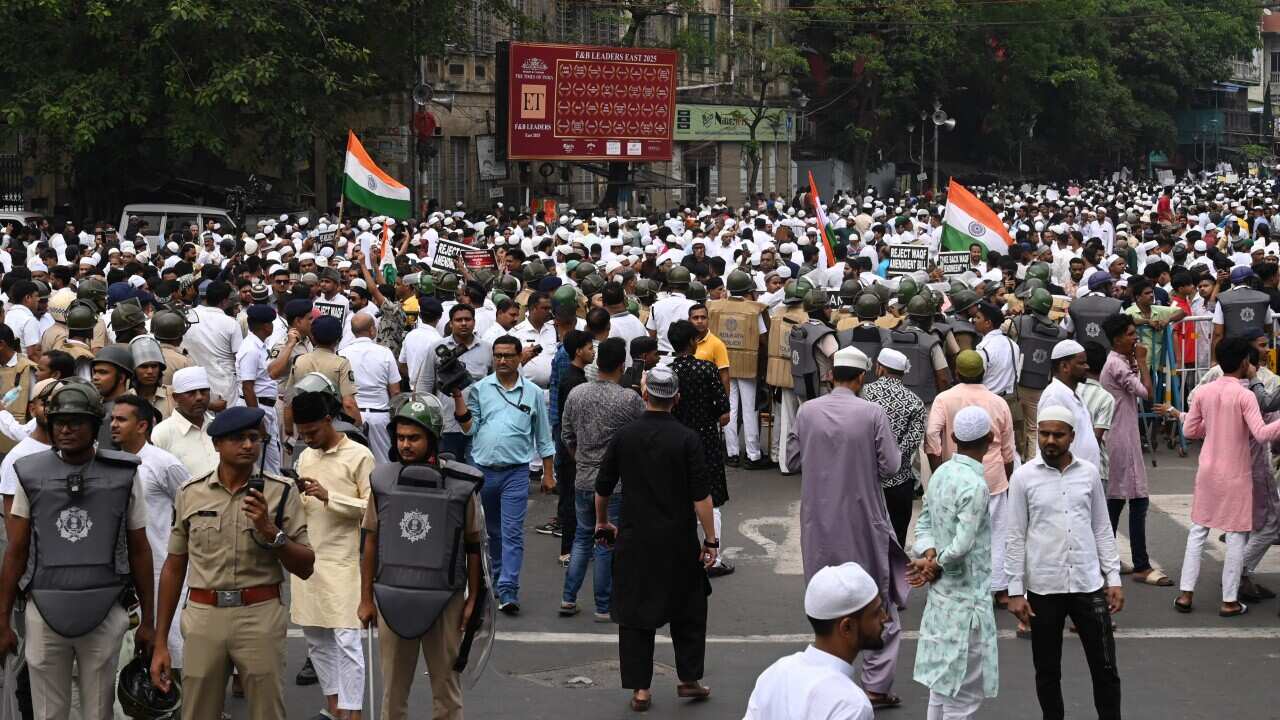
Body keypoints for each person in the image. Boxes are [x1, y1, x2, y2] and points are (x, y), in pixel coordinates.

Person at [0, 380, 155, 720]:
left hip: (106, 605)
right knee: (47, 713)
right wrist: (3, 620)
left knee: (99, 710)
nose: (66, 429)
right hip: (44, 607)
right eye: (59, 422)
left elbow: (140, 549)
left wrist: (149, 621)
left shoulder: (124, 474)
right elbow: (17, 549)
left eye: (76, 422)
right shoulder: (29, 472)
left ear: (95, 425)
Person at [149, 406, 316, 720]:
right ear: (217, 444)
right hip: (204, 616)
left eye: (254, 437)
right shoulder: (190, 493)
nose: (248, 445)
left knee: (268, 711)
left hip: (260, 614)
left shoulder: (281, 492)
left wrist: (270, 530)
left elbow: (306, 566)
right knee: (197, 710)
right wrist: (161, 643)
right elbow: (174, 566)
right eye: (238, 438)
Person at [787, 345, 904, 709]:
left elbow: (791, 459)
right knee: (879, 603)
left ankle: (830, 677)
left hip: (819, 525)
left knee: (827, 605)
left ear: (830, 375)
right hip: (863, 521)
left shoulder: (807, 411)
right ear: (861, 377)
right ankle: (876, 686)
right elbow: (891, 465)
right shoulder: (872, 413)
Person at [594, 366, 716, 712]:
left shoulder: (625, 436)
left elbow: (603, 488)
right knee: (689, 610)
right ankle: (689, 678)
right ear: (676, 399)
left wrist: (603, 522)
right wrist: (711, 540)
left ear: (644, 394)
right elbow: (701, 497)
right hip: (678, 540)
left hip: (635, 538)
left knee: (635, 614)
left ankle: (641, 689)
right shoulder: (687, 439)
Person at [357, 394, 485, 720]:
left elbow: (474, 547)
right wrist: (366, 599)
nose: (405, 445)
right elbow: (370, 541)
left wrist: (473, 599)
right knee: (393, 692)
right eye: (400, 437)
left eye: (413, 437)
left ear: (432, 438)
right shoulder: (382, 481)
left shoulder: (461, 485)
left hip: (445, 599)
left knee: (447, 691)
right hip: (392, 595)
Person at [1005, 405, 1124, 720]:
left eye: (1057, 435)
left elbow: (1102, 527)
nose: (1049, 440)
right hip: (1044, 588)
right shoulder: (1023, 478)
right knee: (1047, 672)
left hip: (1088, 584)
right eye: (1044, 433)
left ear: (1072, 436)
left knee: (1105, 668)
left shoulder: (1089, 474)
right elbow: (1014, 535)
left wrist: (1113, 578)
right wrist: (1015, 590)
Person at [1165, 336, 1280, 616]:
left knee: (1198, 531)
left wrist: (1215, 426)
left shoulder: (1204, 392)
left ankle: (1185, 594)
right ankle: (1229, 601)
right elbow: (1261, 434)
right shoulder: (1245, 395)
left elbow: (1190, 431)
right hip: (1236, 474)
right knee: (1237, 535)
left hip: (1207, 471)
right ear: (1246, 362)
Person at [453, 334, 554, 615]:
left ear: (520, 357)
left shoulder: (533, 393)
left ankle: (509, 589)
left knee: (512, 532)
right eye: (497, 355)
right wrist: (458, 398)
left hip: (516, 473)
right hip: (484, 472)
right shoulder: (480, 389)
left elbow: (543, 437)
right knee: (492, 532)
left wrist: (548, 474)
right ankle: (498, 577)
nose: (502, 360)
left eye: (508, 355)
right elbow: (469, 429)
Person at [910, 406, 999, 720]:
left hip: (940, 601)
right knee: (962, 698)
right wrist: (936, 563)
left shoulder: (941, 474)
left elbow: (923, 524)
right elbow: (962, 545)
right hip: (967, 605)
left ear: (953, 437)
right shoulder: (975, 485)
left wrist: (929, 555)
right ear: (990, 438)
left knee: (940, 687)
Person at [290, 388, 373, 720]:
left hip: (344, 562)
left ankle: (353, 712)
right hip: (308, 560)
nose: (307, 439)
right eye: (302, 433)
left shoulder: (359, 456)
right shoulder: (305, 458)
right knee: (316, 639)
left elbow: (375, 509)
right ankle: (336, 707)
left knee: (347, 641)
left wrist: (330, 497)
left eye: (312, 432)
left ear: (328, 421)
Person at [559, 337, 644, 620]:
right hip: (614, 483)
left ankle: (568, 598)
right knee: (606, 542)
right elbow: (641, 436)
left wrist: (581, 459)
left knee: (582, 538)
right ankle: (603, 605)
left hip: (583, 477)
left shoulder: (577, 394)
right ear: (622, 365)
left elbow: (567, 435)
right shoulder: (629, 399)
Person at [108, 394, 192, 677]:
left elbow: (191, 508)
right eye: (112, 419)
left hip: (160, 570)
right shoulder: (109, 463)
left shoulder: (163, 463)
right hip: (120, 574)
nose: (113, 425)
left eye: (121, 419)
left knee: (168, 650)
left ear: (142, 426)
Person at [924, 350, 1016, 602]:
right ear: (983, 372)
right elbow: (1008, 447)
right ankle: (999, 588)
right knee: (996, 533)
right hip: (993, 476)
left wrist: (938, 467)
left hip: (956, 477)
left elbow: (932, 434)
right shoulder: (998, 402)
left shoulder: (944, 398)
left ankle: (960, 583)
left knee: (957, 533)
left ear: (957, 372)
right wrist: (1006, 477)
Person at [744, 562, 886, 720]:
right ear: (847, 627)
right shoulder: (852, 706)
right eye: (876, 613)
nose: (885, 618)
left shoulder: (775, 672)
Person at [1099, 314, 1169, 586]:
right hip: (1121, 439)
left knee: (1117, 500)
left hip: (1123, 435)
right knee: (1134, 500)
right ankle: (1140, 564)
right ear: (1117, 339)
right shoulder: (1117, 364)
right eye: (1130, 334)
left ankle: (1108, 560)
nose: (1135, 338)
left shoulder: (1118, 361)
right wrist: (1141, 361)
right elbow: (1147, 393)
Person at [667, 320, 734, 577]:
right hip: (706, 441)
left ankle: (682, 558)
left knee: (679, 500)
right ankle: (713, 559)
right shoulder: (706, 369)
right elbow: (722, 407)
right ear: (692, 342)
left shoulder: (669, 373)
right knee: (711, 499)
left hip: (675, 441)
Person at [858, 348, 925, 547]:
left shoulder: (862, 393)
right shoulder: (914, 402)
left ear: (880, 368)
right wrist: (891, 460)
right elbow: (913, 441)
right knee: (896, 537)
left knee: (863, 537)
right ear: (903, 372)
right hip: (899, 479)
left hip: (863, 478)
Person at [339, 313, 402, 463]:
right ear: (372, 330)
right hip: (380, 417)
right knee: (384, 463)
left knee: (354, 462)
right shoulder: (385, 353)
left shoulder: (342, 354)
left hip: (352, 416)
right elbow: (395, 391)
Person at [1035, 339, 1102, 469]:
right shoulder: (1054, 396)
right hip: (1067, 474)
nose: (1087, 367)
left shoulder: (1073, 393)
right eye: (1081, 363)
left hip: (1082, 473)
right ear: (1065, 366)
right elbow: (1050, 445)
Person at [180, 281, 242, 409]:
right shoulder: (231, 323)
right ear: (224, 301)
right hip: (224, 389)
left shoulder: (186, 317)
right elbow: (239, 359)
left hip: (194, 387)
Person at [237, 304, 282, 473]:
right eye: (270, 323)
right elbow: (248, 387)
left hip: (264, 407)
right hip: (257, 407)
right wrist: (258, 421)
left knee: (270, 461)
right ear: (266, 326)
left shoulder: (259, 346)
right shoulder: (251, 349)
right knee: (267, 464)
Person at [152, 367, 218, 481]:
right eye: (191, 393)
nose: (199, 397)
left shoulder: (219, 426)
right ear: (176, 397)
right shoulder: (161, 434)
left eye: (203, 391)